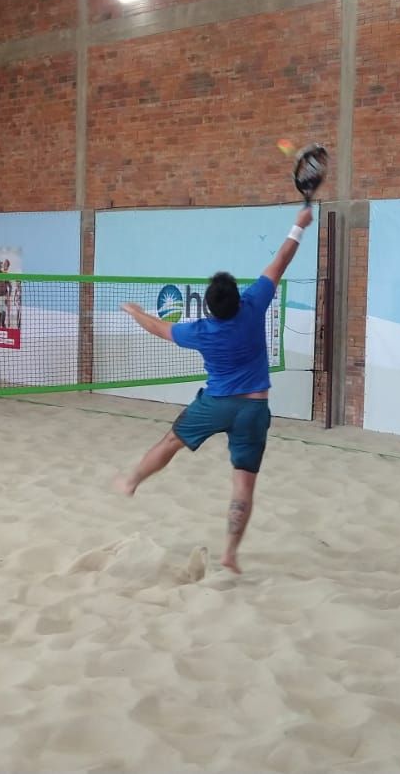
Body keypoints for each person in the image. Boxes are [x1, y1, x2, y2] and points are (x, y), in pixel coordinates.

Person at [114, 205, 315, 574]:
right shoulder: (254, 305)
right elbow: (281, 259)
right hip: (255, 409)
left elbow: (158, 329)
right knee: (243, 485)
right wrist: (298, 226)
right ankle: (230, 554)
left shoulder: (201, 330)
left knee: (171, 442)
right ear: (238, 297)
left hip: (216, 404)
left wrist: (135, 311)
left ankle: (131, 481)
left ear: (208, 306)